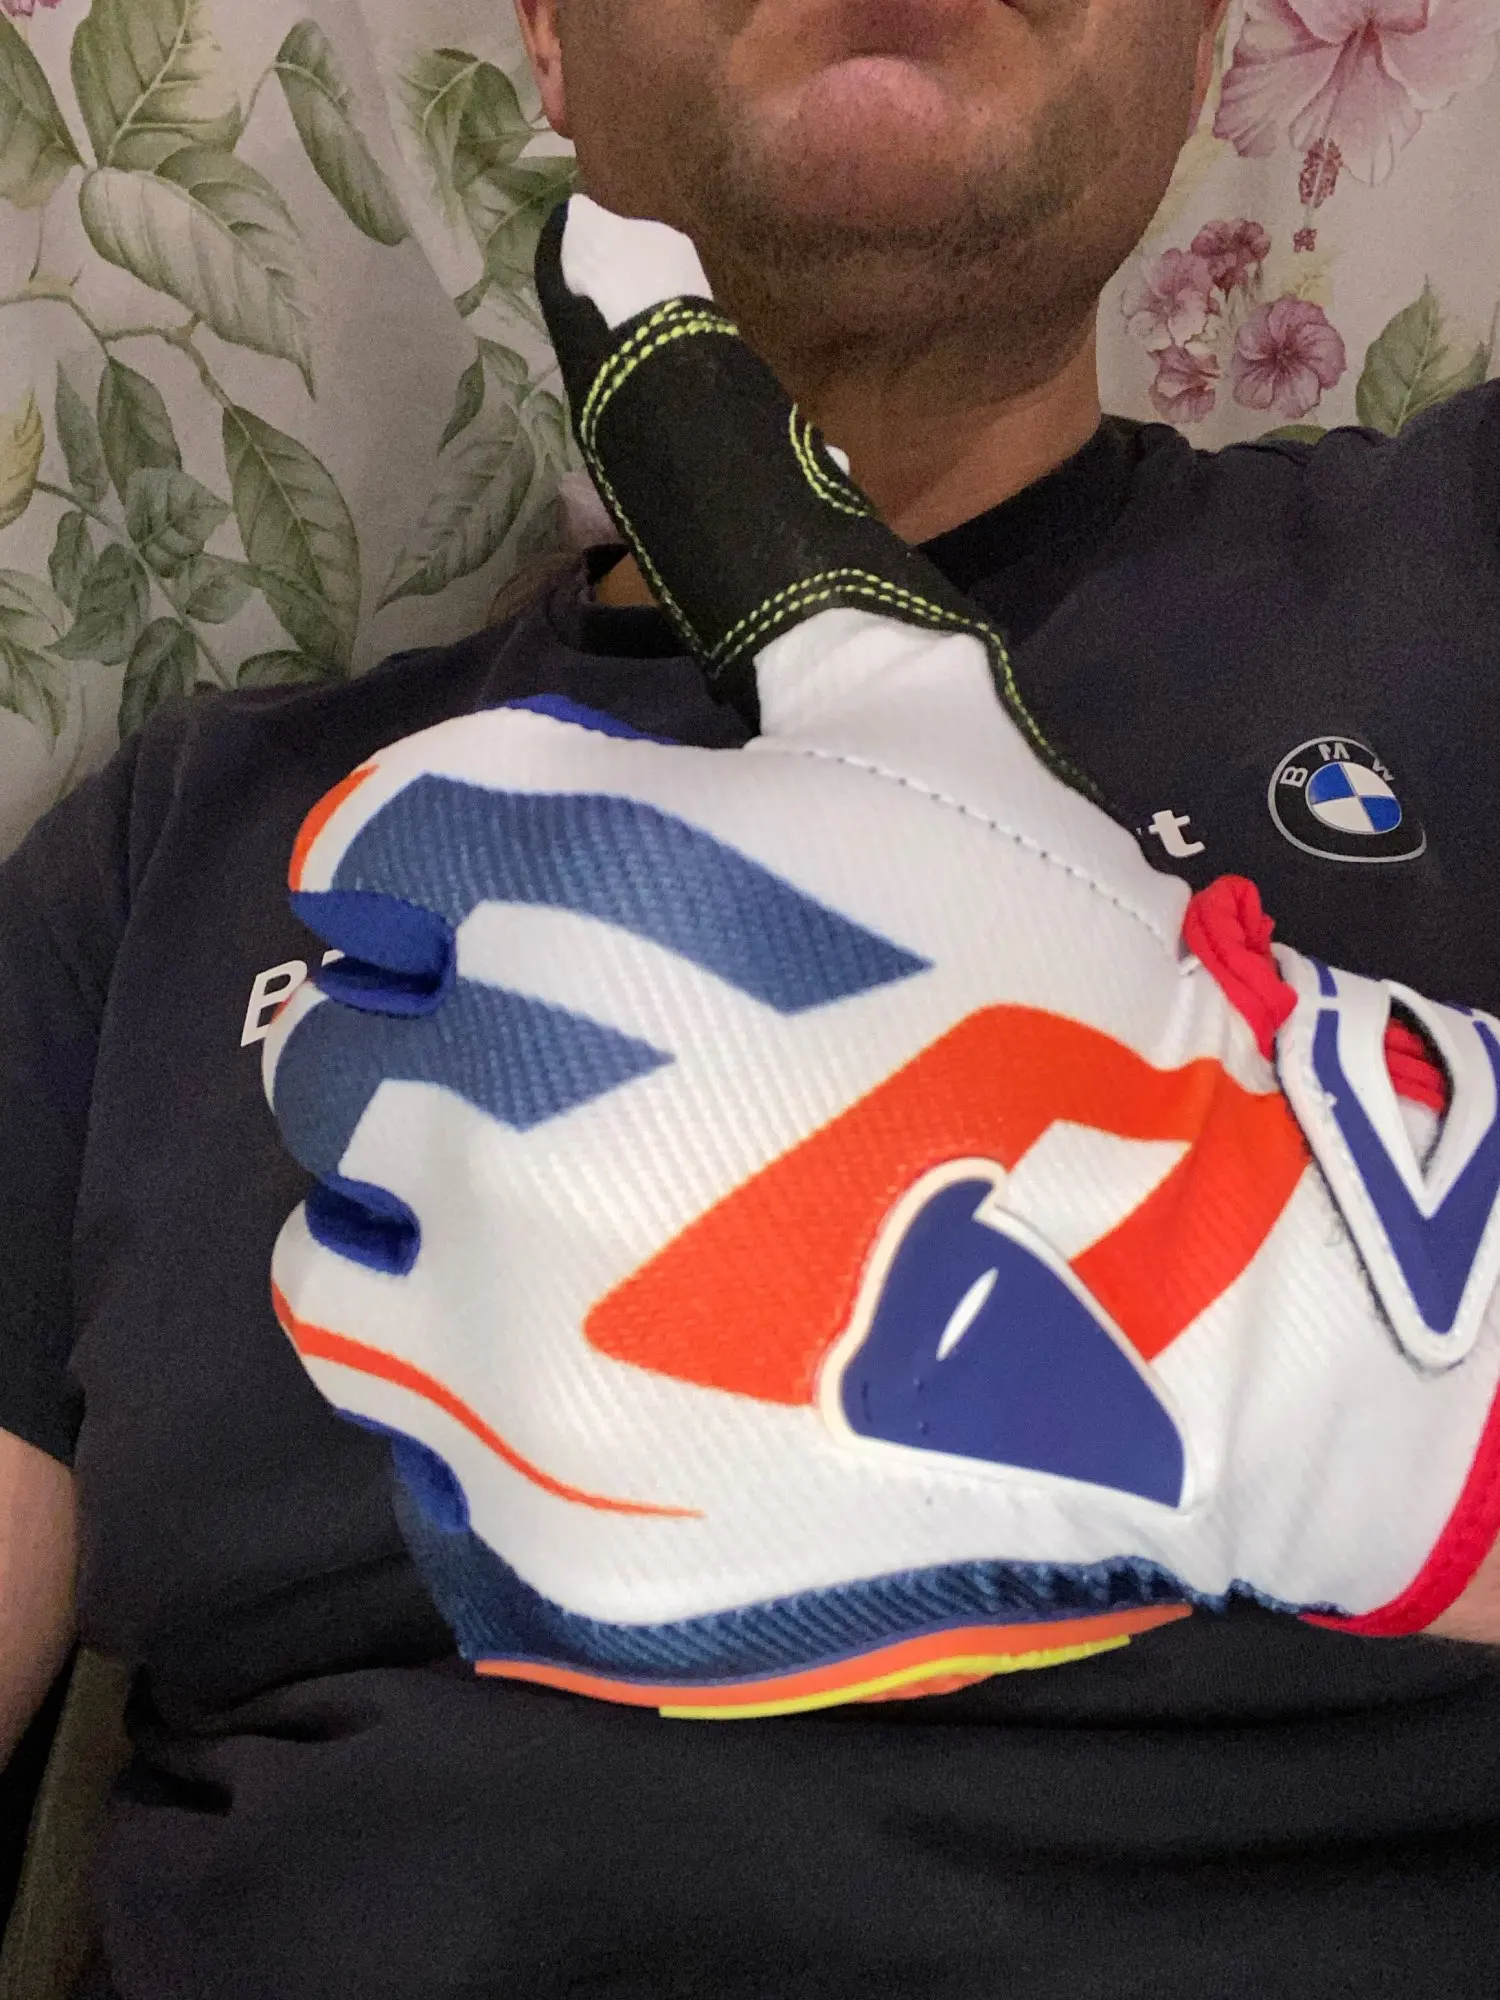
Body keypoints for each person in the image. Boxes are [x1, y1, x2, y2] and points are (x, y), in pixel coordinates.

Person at [2, 1, 1500, 1995]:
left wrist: (1320, 1357)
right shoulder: (166, 855)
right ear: (549, 43)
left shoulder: (1464, 568)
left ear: (1210, 47)